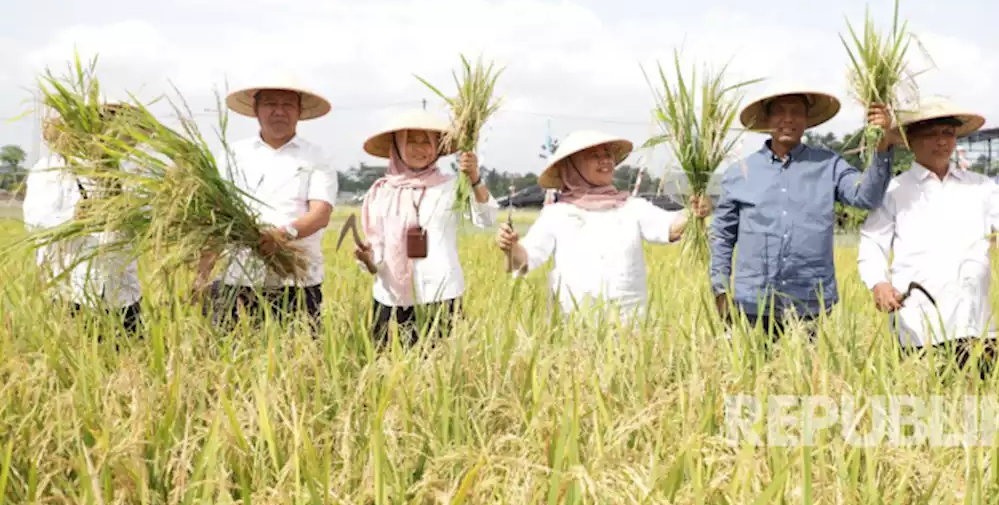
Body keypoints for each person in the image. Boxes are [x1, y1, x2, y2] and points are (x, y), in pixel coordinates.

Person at [709, 84, 898, 338]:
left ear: (807, 120)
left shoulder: (828, 164)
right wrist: (720, 289)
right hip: (752, 303)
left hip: (810, 303)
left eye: (796, 112)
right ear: (767, 119)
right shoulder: (740, 173)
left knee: (810, 376)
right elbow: (722, 235)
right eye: (780, 112)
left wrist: (882, 145)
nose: (788, 119)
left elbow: (866, 196)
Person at [858, 97, 999, 376]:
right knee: (924, 408)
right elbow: (872, 242)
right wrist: (879, 284)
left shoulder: (980, 187)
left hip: (974, 322)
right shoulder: (895, 191)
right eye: (931, 134)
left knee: (980, 408)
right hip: (918, 324)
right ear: (910, 140)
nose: (941, 141)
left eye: (948, 133)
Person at [495, 130, 711, 321]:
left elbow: (670, 226)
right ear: (574, 166)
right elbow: (526, 260)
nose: (605, 161)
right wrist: (510, 247)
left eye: (607, 154)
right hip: (572, 324)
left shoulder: (631, 207)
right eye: (594, 156)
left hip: (628, 323)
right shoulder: (557, 214)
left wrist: (695, 212)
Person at [197, 74, 338, 330]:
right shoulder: (232, 155)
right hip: (238, 275)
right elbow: (216, 219)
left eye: (287, 105)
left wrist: (284, 235)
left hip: (297, 280)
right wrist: (202, 274)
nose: (279, 112)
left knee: (300, 358)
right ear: (256, 109)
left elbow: (321, 214)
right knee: (234, 358)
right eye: (271, 104)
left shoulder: (316, 156)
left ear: (299, 111)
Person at [352, 108, 496, 348]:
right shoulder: (380, 191)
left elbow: (486, 218)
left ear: (437, 147)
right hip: (391, 297)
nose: (420, 149)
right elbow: (374, 252)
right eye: (411, 141)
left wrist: (475, 179)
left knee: (442, 375)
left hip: (441, 295)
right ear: (396, 146)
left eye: (426, 142)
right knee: (390, 375)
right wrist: (367, 259)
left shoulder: (452, 186)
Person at [23, 105, 143, 335]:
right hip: (72, 291)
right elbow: (34, 222)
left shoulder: (128, 171)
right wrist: (74, 218)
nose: (108, 130)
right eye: (100, 122)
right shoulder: (52, 169)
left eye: (114, 123)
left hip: (122, 290)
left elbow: (143, 223)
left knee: (131, 352)